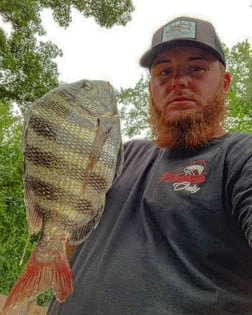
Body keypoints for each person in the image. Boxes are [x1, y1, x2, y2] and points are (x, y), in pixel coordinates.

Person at [47, 16, 252, 315]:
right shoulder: (120, 157)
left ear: (224, 83)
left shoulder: (241, 156)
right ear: (151, 88)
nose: (178, 81)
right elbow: (67, 239)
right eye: (164, 71)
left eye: (196, 68)